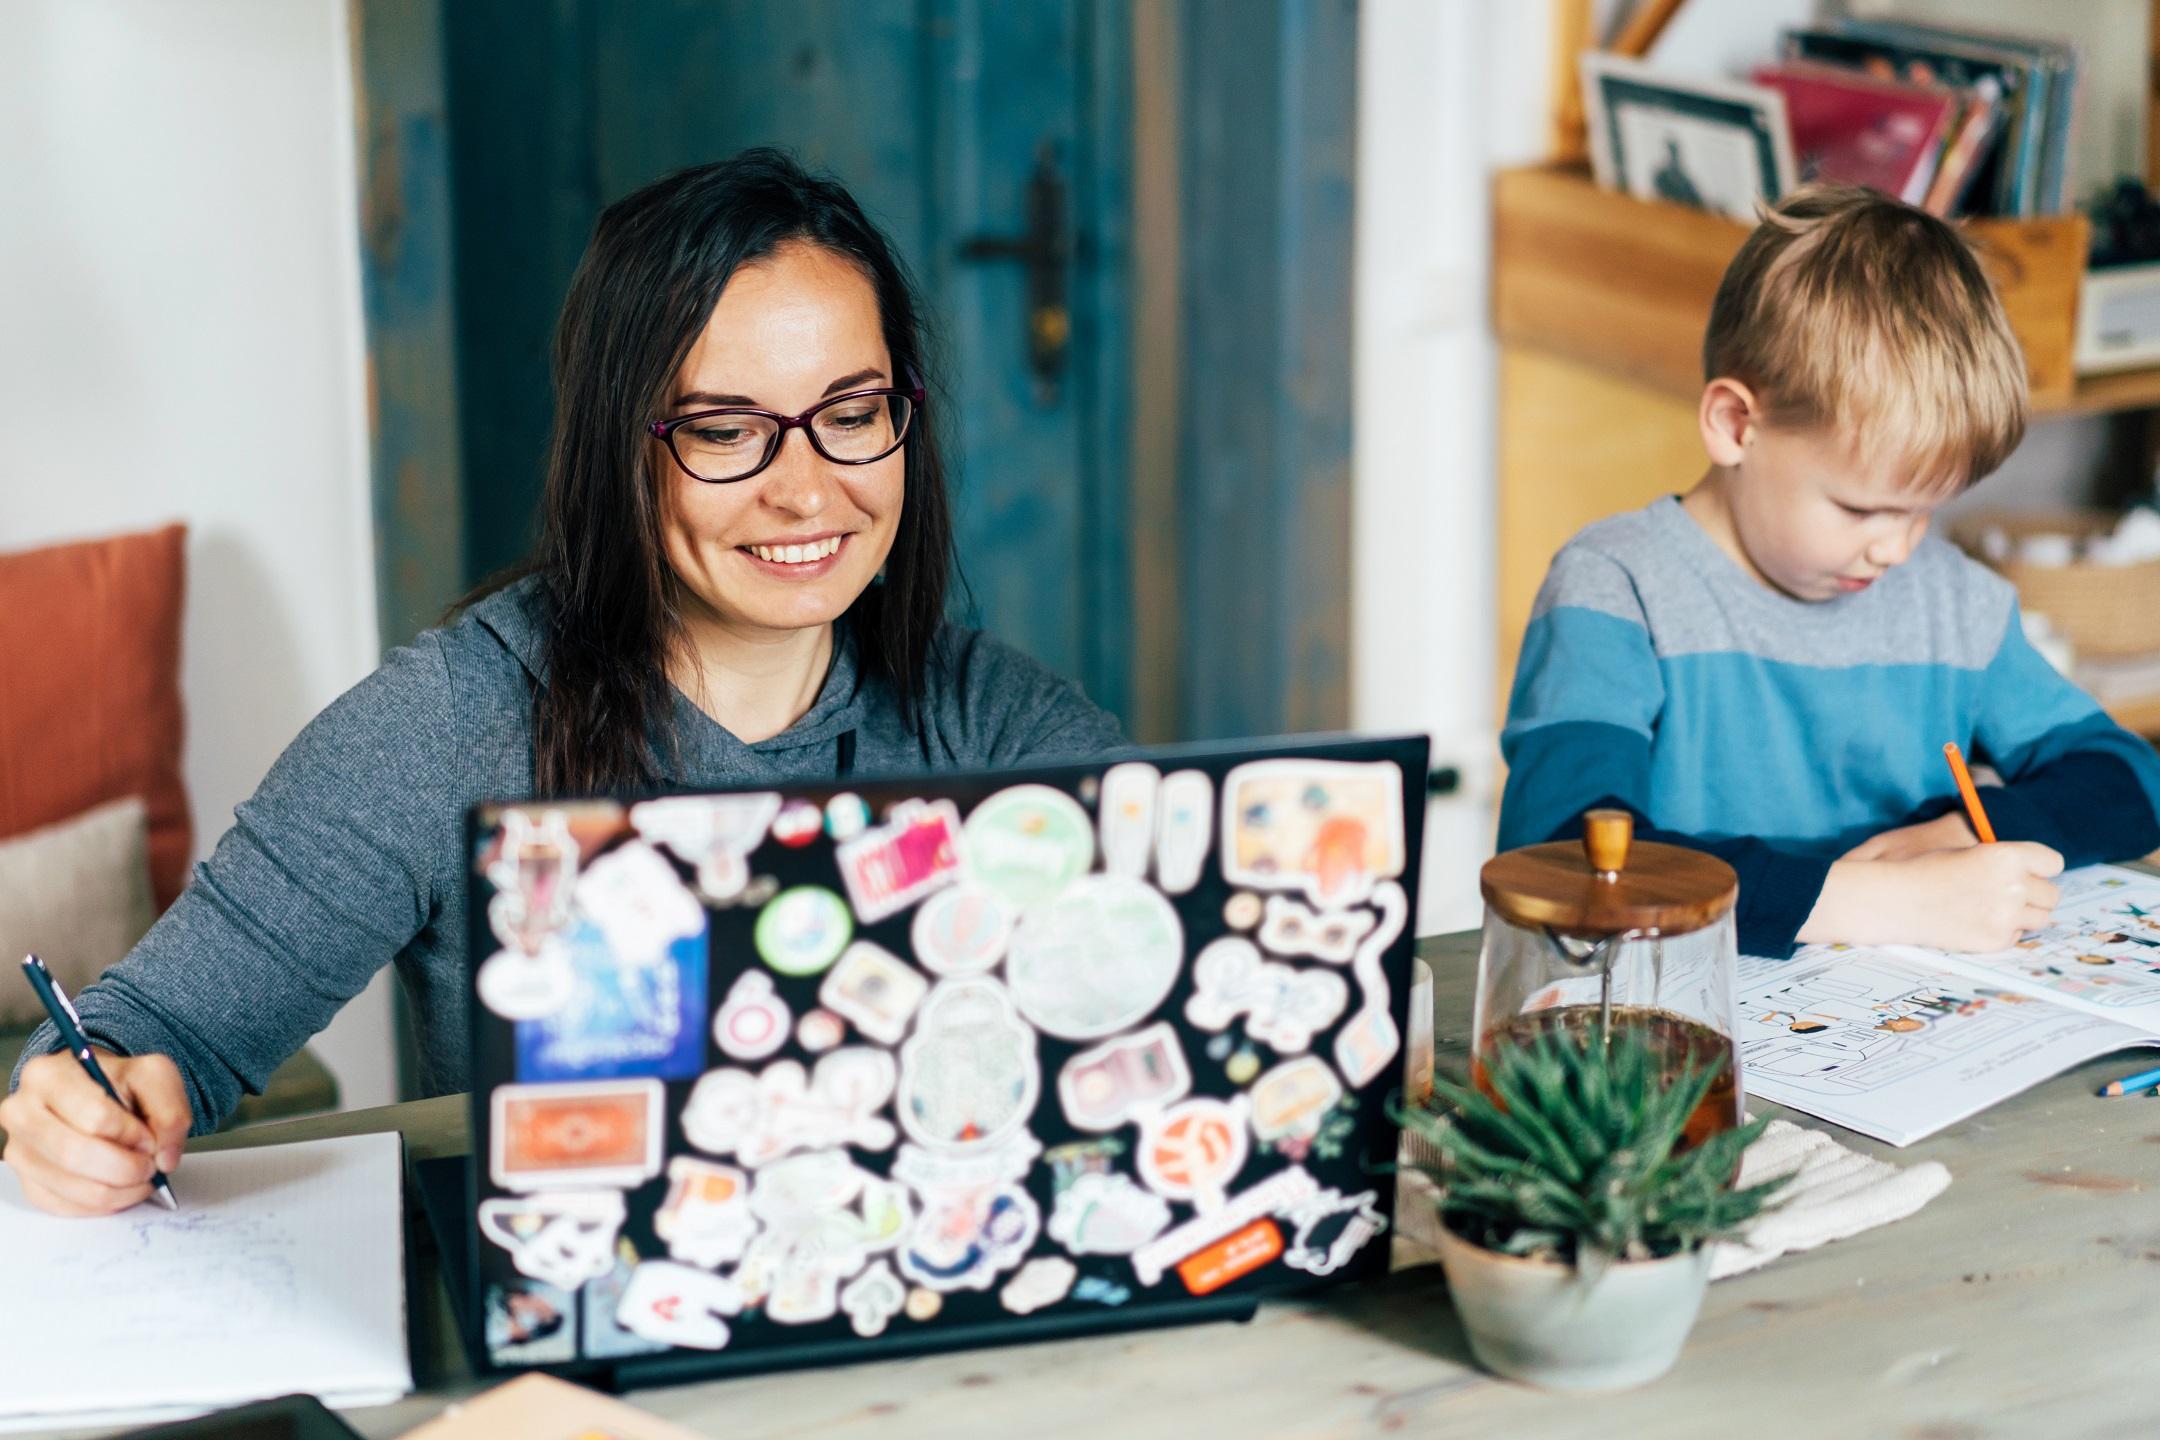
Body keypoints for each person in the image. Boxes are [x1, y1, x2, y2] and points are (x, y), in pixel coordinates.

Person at [2, 150, 1124, 1215]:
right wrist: (82, 1105)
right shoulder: (449, 724)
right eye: (727, 430)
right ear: (617, 450)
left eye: (852, 415)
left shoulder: (994, 721)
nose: (807, 488)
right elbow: (145, 1032)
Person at [1498, 185, 2160, 960]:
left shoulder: (1953, 605)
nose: (1897, 551)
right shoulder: (1616, 589)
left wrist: (1963, 833)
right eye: (1860, 509)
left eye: (1924, 512)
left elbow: (2131, 779)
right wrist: (1873, 900)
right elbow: (1567, 855)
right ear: (1736, 425)